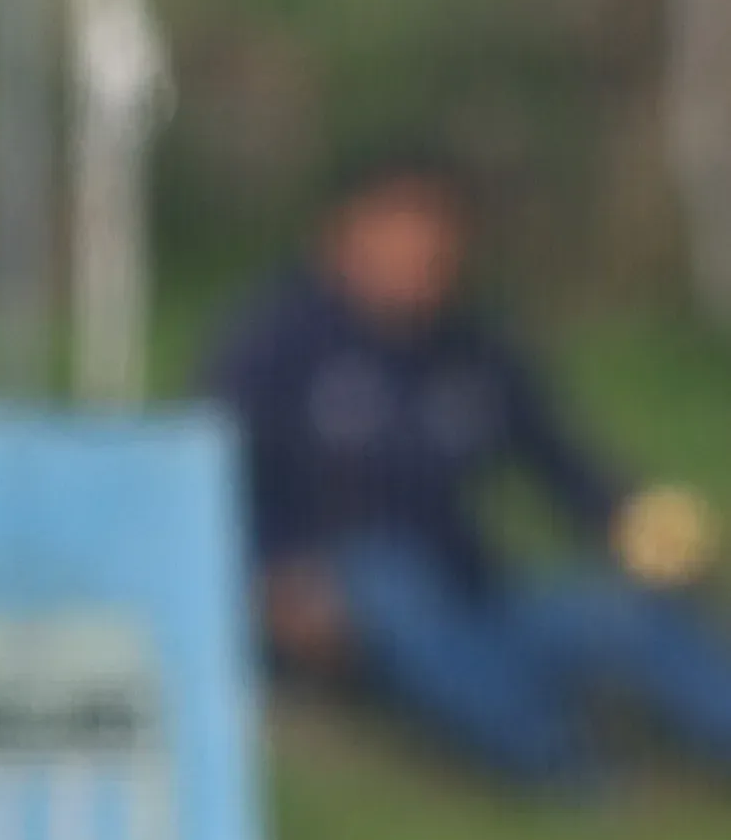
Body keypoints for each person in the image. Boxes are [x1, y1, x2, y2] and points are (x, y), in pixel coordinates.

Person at [208, 150, 731, 789]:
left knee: (615, 613)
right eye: (402, 226)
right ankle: (575, 776)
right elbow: (210, 484)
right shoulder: (275, 343)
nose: (426, 248)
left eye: (440, 229)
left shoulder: (477, 350)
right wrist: (271, 581)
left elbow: (565, 466)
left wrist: (639, 531)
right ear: (343, 235)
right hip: (332, 601)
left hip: (470, 594)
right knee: (388, 579)